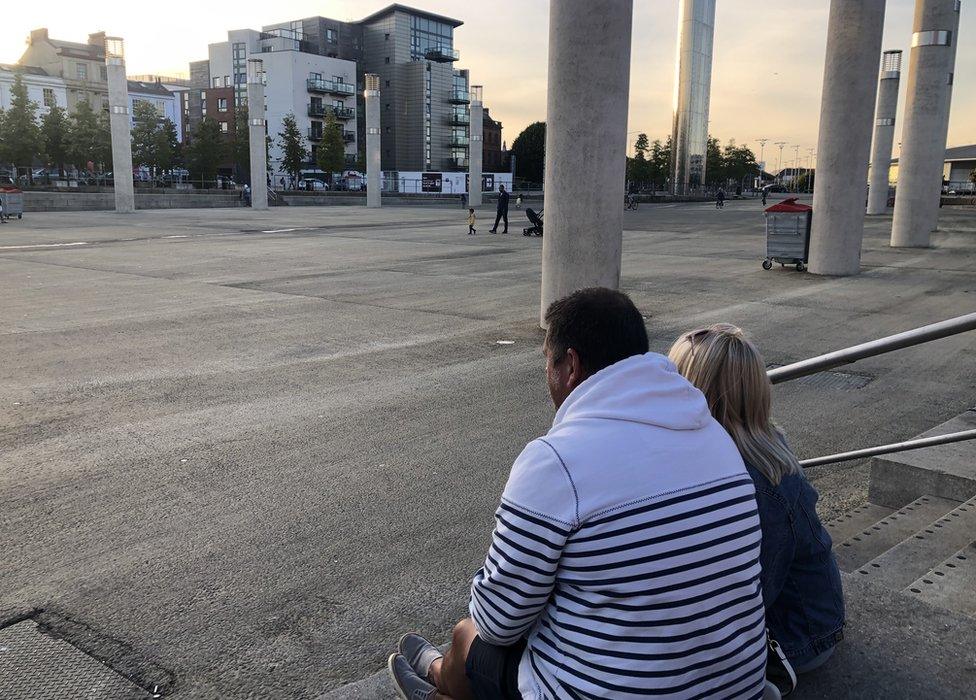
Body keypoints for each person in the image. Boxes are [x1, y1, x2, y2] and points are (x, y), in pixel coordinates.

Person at [388, 288, 768, 700]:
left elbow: (499, 619)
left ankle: (441, 684)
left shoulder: (557, 460)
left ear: (570, 364)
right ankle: (443, 677)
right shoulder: (713, 435)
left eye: (547, 364)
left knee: (468, 634)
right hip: (737, 686)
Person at [668, 324, 845, 676]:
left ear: (695, 391)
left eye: (672, 381)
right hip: (793, 617)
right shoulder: (752, 447)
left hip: (798, 636)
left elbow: (751, 594)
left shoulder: (758, 482)